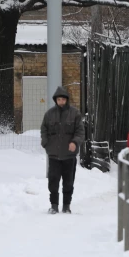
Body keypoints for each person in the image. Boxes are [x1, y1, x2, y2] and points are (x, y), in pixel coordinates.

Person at [40, 86, 84, 214]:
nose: (61, 102)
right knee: (53, 181)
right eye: (59, 99)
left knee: (68, 182)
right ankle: (54, 205)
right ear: (56, 100)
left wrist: (75, 142)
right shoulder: (49, 114)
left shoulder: (75, 113)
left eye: (63, 99)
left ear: (67, 100)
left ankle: (66, 205)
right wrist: (45, 143)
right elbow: (44, 129)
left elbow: (80, 131)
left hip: (69, 155)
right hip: (54, 155)